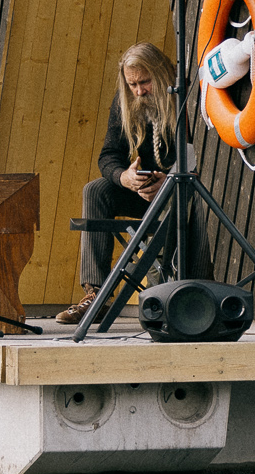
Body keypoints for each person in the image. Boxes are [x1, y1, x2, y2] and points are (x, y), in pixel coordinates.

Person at [78, 40, 203, 303]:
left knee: (178, 196)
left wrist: (169, 180)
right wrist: (125, 178)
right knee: (95, 190)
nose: (138, 91)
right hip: (144, 193)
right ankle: (95, 294)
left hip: (180, 192)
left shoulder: (186, 96)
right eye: (132, 85)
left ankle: (161, 293)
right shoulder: (126, 100)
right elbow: (109, 155)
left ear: (160, 74)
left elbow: (197, 154)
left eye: (145, 82)